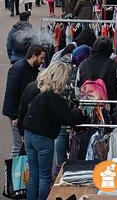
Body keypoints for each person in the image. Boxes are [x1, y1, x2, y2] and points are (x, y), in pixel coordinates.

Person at [18, 61, 87, 200]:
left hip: (29, 135)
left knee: (33, 175)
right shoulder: (55, 98)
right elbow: (67, 118)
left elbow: (23, 111)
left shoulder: (39, 91)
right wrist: (80, 113)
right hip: (43, 139)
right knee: (44, 177)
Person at [2, 44, 46, 157]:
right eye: (41, 58)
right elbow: (11, 93)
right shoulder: (18, 69)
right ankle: (12, 172)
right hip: (16, 114)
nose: (43, 61)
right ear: (33, 56)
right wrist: (15, 116)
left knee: (23, 145)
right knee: (18, 146)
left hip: (23, 113)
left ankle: (19, 172)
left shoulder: (32, 69)